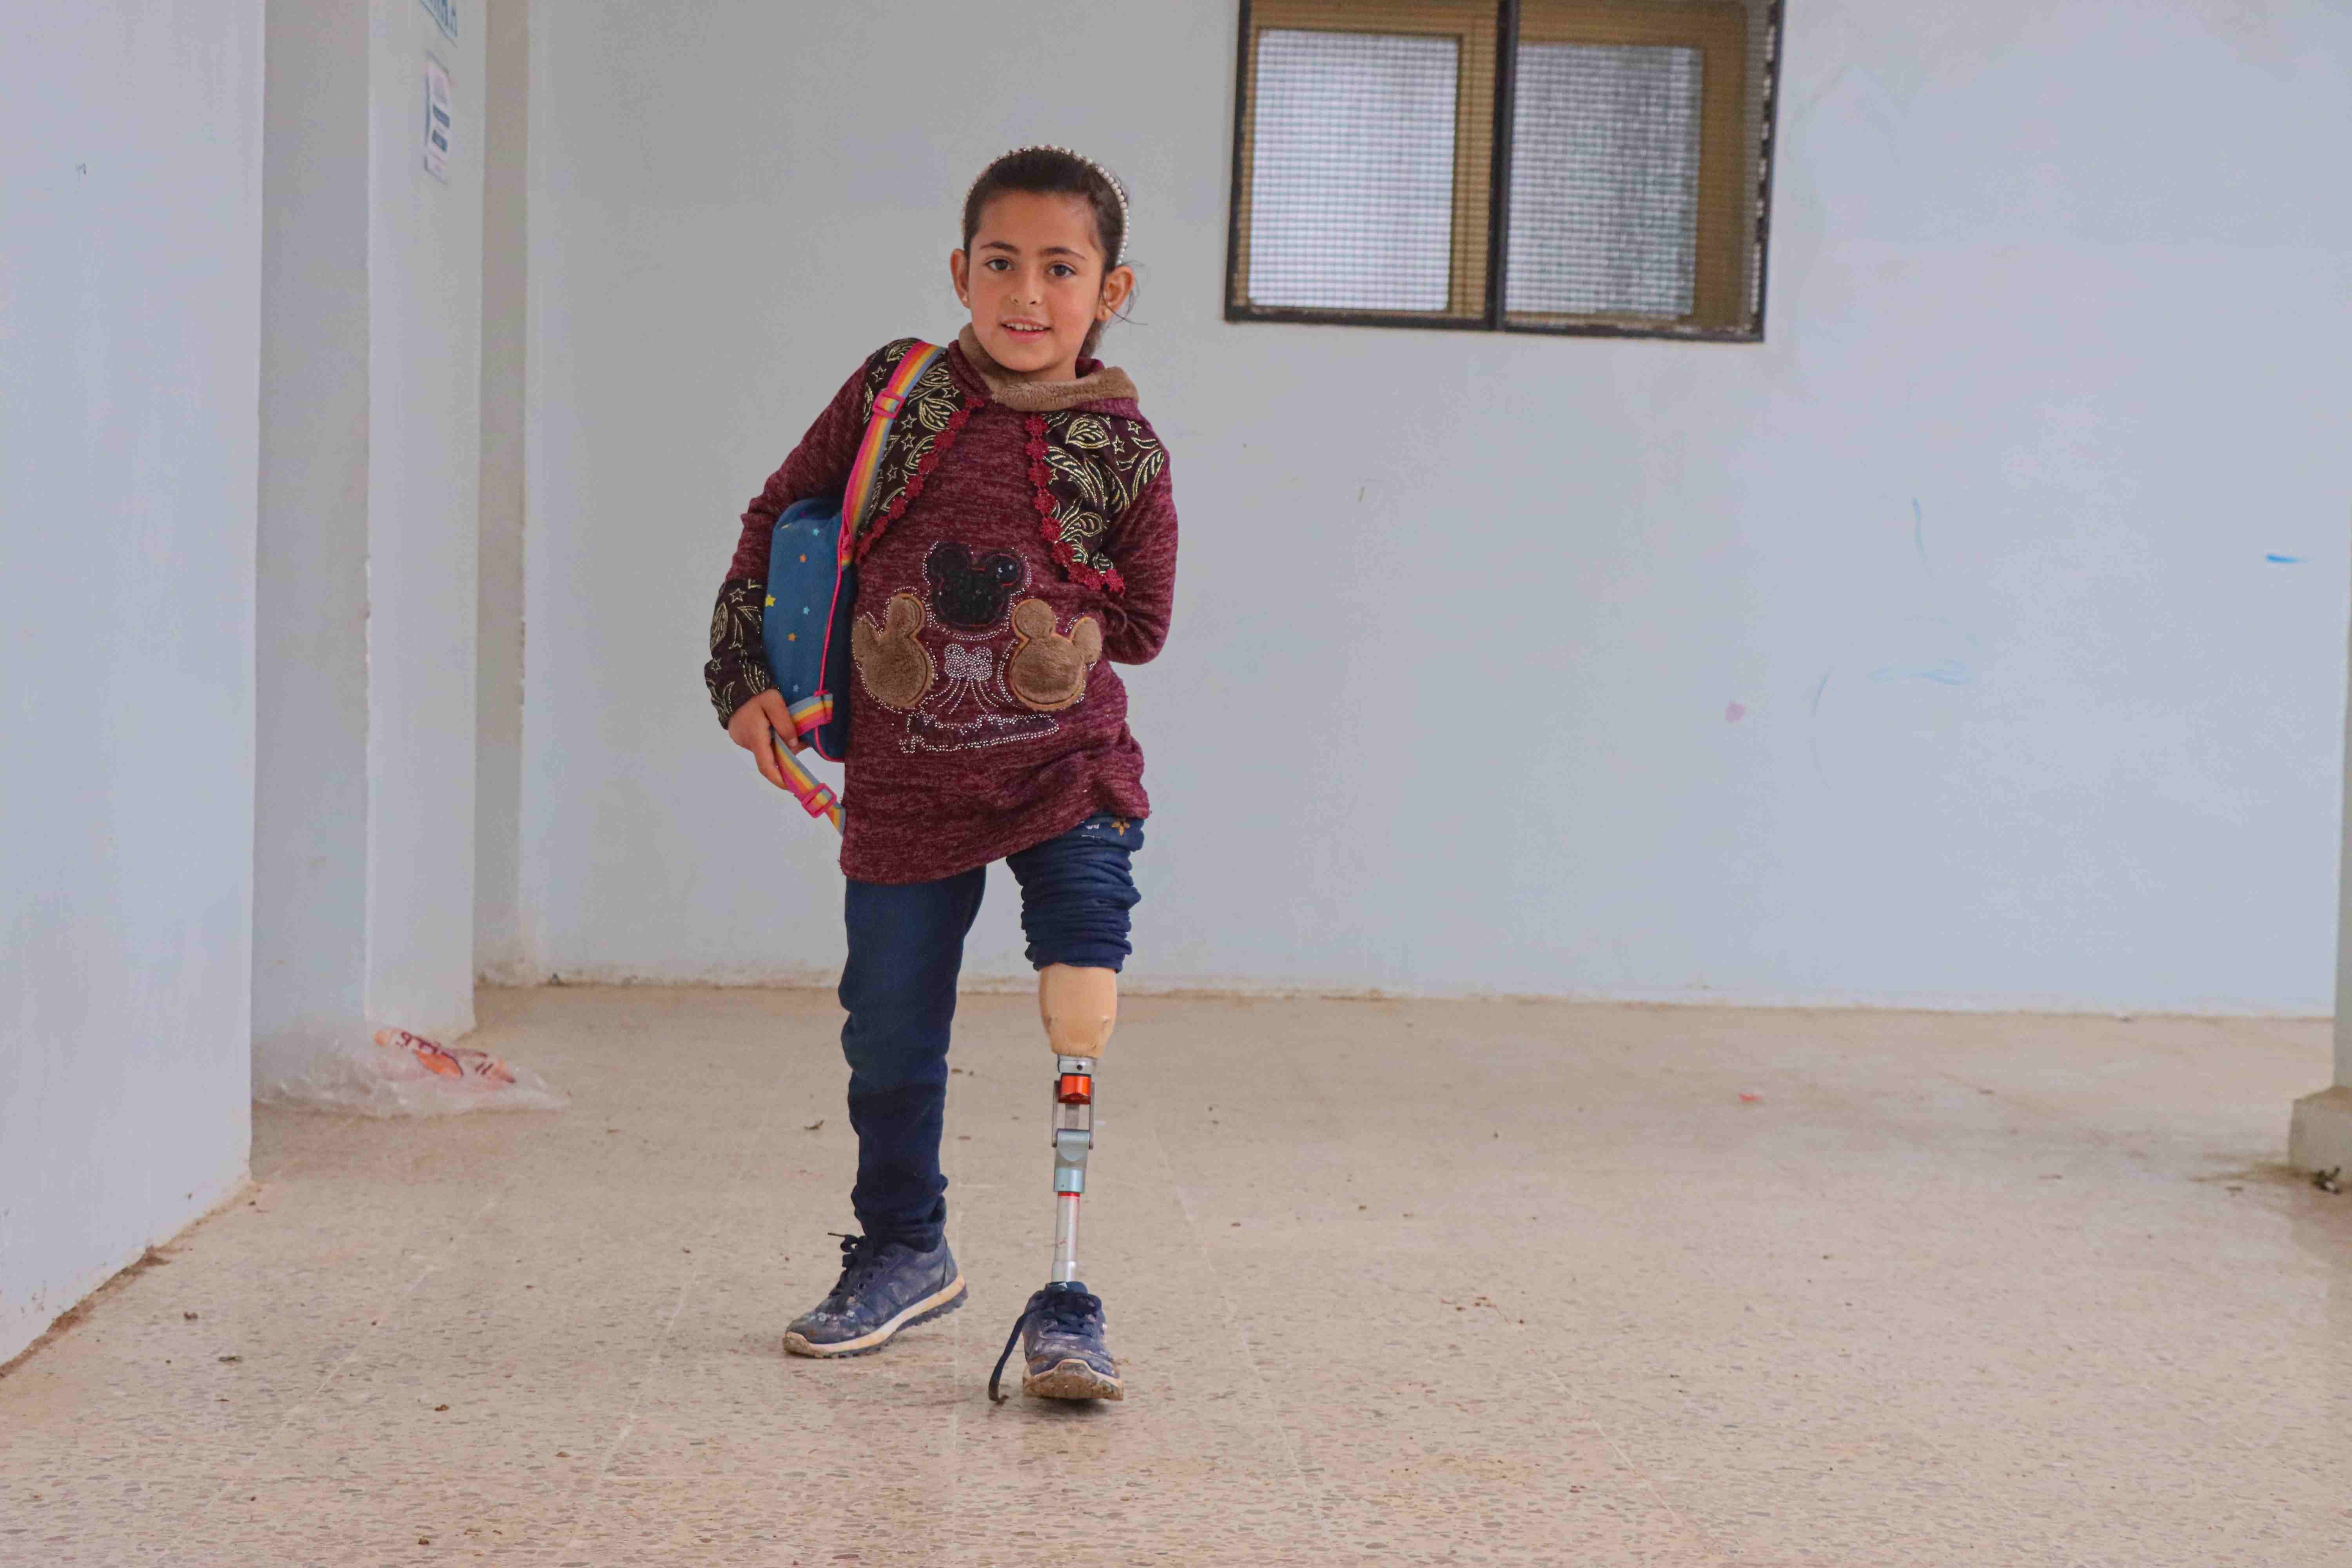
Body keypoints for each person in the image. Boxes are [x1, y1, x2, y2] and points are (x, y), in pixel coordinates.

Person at [701, 147, 1176, 1401]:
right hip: (908, 783)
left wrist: (1040, 645)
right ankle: (906, 1248)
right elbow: (779, 517)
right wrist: (742, 671)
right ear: (961, 273)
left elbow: (1143, 624)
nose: (1028, 294)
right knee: (890, 1033)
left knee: (1083, 965)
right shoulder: (893, 393)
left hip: (1065, 769)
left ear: (1109, 290)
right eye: (1003, 264)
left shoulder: (1123, 449)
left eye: (1060, 270)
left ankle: (1072, 1282)